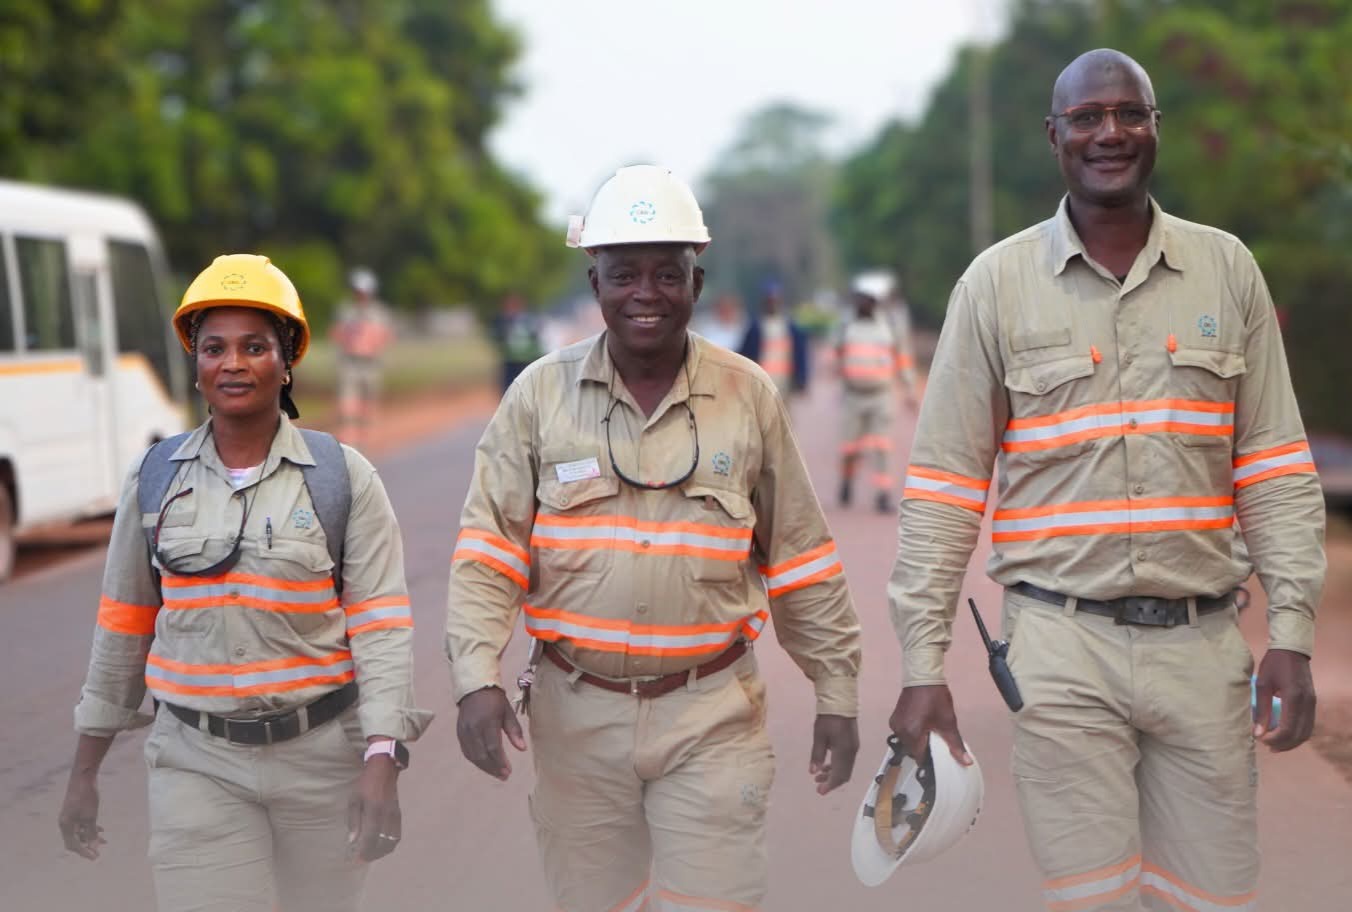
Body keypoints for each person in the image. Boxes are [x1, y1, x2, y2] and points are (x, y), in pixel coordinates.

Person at [887, 49, 1323, 911]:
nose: (1109, 132)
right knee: (1094, 900)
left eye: (1130, 113)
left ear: (1156, 128)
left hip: (1204, 651)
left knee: (1214, 893)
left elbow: (1274, 466)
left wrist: (1295, 634)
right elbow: (943, 490)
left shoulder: (1226, 270)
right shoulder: (996, 286)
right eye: (1087, 118)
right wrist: (921, 664)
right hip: (1059, 651)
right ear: (1054, 137)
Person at [447, 165, 861, 912]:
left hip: (712, 714)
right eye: (624, 274)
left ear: (696, 284)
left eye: (667, 274)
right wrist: (475, 677)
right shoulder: (538, 396)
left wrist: (837, 690)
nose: (646, 293)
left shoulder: (749, 397)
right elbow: (489, 550)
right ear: (595, 281)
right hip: (577, 718)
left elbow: (800, 556)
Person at [58, 254, 432, 912]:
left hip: (322, 760)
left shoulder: (340, 478)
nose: (233, 364)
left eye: (255, 346)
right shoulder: (154, 479)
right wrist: (84, 770)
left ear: (286, 359)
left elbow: (381, 628)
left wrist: (383, 756)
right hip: (196, 763)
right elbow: (122, 625)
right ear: (195, 363)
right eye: (215, 348)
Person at [835, 271, 915, 514]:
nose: (864, 303)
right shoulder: (847, 326)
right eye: (861, 299)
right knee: (850, 447)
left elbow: (902, 359)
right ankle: (847, 482)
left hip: (880, 395)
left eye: (869, 299)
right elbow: (838, 354)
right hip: (853, 396)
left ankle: (882, 494)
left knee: (881, 446)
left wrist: (909, 389)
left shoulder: (888, 328)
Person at [330, 267, 394, 446]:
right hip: (350, 363)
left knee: (368, 402)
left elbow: (386, 336)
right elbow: (336, 333)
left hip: (371, 364)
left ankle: (366, 439)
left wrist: (371, 343)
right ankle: (348, 439)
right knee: (347, 403)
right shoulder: (346, 311)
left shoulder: (379, 313)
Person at [738, 280, 810, 402]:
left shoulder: (789, 327)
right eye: (770, 300)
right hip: (762, 383)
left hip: (784, 383)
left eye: (775, 300)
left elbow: (799, 353)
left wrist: (801, 379)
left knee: (783, 417)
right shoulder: (756, 327)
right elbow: (746, 355)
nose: (773, 303)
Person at [491, 291, 547, 392]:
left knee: (528, 387)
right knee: (508, 388)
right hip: (510, 360)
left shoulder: (529, 320)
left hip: (527, 359)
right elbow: (498, 337)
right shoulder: (502, 320)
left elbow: (537, 338)